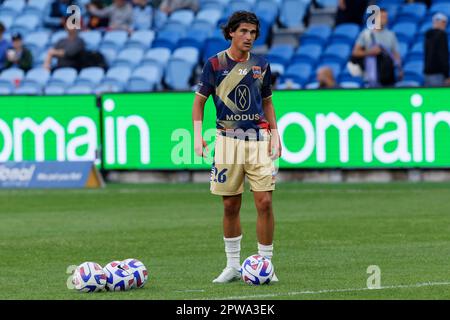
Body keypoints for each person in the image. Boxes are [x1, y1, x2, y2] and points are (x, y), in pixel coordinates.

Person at [192, 11, 281, 283]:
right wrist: (197, 135)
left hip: (258, 140)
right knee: (230, 205)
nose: (249, 37)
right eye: (243, 31)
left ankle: (264, 265)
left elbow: (267, 102)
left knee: (264, 202)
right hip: (227, 142)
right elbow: (199, 102)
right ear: (231, 32)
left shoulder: (261, 65)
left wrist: (275, 134)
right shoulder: (215, 64)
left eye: (253, 33)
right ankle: (233, 265)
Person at [352, 8, 402, 87]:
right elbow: (355, 52)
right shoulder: (366, 34)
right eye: (382, 17)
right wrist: (370, 52)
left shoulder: (391, 35)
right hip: (371, 76)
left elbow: (396, 55)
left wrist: (399, 69)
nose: (384, 19)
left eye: (386, 17)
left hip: (388, 76)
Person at [424, 13, 449, 87]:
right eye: (444, 22)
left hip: (427, 73)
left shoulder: (428, 35)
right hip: (438, 73)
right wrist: (446, 75)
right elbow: (443, 56)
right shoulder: (442, 35)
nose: (445, 25)